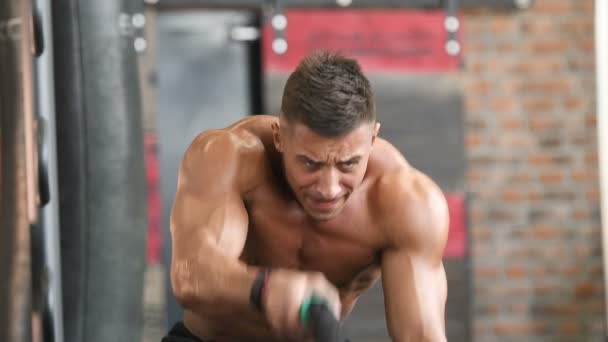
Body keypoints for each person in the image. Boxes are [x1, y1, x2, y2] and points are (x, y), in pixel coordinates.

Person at [163, 51, 449, 342]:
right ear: (279, 137)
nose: (329, 188)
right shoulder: (228, 157)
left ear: (372, 140)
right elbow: (190, 276)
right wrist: (266, 287)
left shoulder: (407, 203)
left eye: (348, 164)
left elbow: (421, 337)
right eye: (310, 163)